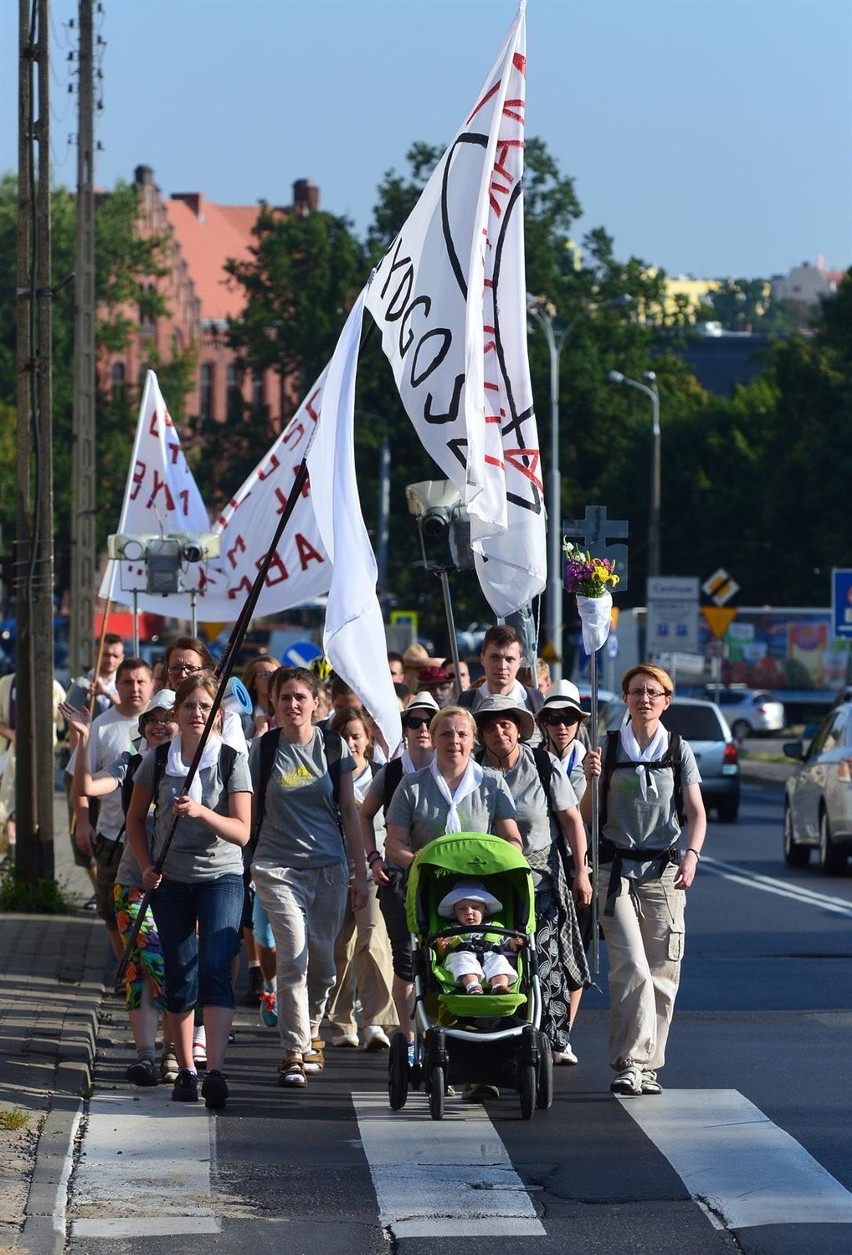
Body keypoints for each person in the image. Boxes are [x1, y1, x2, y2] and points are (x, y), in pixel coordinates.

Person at [126, 672, 253, 1109]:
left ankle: (215, 1069)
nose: (196, 713)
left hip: (222, 876)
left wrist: (200, 812)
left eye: (205, 707)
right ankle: (185, 1071)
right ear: (176, 713)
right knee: (179, 971)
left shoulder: (232, 759)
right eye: (189, 706)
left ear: (217, 715)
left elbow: (241, 830)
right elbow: (135, 820)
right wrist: (145, 867)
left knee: (215, 967)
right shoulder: (158, 760)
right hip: (172, 879)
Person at [581, 664, 707, 1098]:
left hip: (664, 872)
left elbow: (696, 811)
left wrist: (691, 856)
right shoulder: (608, 746)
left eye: (653, 692)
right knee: (631, 966)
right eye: (637, 692)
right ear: (626, 698)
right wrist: (590, 779)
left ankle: (650, 1065)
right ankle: (629, 1062)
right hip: (614, 872)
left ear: (666, 700)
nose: (645, 699)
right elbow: (586, 817)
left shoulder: (678, 749)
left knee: (662, 974)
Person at [249, 666, 368, 1089]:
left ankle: (312, 1028)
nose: (294, 705)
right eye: (285, 698)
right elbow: (249, 811)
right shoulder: (261, 751)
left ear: (316, 703)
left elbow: (350, 814)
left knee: (322, 967)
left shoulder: (333, 747)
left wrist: (361, 873)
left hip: (329, 868)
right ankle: (294, 1051)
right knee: (293, 955)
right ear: (274, 703)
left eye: (301, 697)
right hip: (276, 867)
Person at [384, 705, 521, 1063]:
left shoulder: (491, 783)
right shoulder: (412, 786)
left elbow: (513, 841)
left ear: (473, 740)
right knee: (414, 965)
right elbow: (394, 843)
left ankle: (480, 1046)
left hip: (480, 892)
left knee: (487, 955)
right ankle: (414, 1038)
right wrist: (423, 866)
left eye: (462, 734)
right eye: (445, 733)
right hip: (424, 888)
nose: (454, 741)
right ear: (432, 738)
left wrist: (495, 865)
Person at [61, 691, 179, 1086]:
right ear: (143, 727)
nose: (161, 724)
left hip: (184, 882)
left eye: (168, 717)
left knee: (172, 965)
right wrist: (81, 740)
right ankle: (147, 1055)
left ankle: (173, 1052)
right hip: (132, 880)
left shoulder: (196, 764)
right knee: (145, 964)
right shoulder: (130, 762)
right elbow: (88, 788)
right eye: (153, 718)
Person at [473, 694, 591, 1065]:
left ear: (519, 729)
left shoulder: (542, 763)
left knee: (544, 955)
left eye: (505, 724)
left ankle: (555, 1040)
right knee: (494, 956)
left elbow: (572, 820)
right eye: (490, 725)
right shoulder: (473, 769)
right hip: (488, 881)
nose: (498, 732)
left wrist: (582, 872)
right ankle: (492, 1036)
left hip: (540, 876)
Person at [359, 692, 438, 1042]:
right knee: (405, 957)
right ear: (404, 729)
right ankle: (409, 1040)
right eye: (413, 722)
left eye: (429, 722)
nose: (422, 729)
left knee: (441, 957)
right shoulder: (392, 772)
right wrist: (373, 859)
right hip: (398, 878)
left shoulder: (452, 766)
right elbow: (363, 814)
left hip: (443, 880)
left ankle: (439, 1033)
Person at [69, 659, 154, 959]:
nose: (135, 688)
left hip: (156, 840)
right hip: (112, 835)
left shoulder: (168, 725)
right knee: (112, 909)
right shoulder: (102, 725)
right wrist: (82, 822)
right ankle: (125, 966)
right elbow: (82, 783)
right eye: (127, 682)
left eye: (141, 681)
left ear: (152, 685)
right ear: (115, 686)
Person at [325, 707, 396, 1050]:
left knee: (372, 942)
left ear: (368, 740)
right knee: (340, 947)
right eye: (343, 736)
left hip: (373, 870)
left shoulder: (382, 776)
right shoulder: (326, 776)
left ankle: (376, 1021)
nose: (350, 742)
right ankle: (341, 1023)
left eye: (356, 735)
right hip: (334, 870)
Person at [536, 679, 594, 1038]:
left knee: (574, 947)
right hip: (543, 866)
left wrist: (594, 780)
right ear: (542, 721)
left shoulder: (592, 762)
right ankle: (538, 1027)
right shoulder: (532, 758)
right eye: (554, 718)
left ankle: (563, 1034)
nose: (561, 726)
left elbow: (589, 819)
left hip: (578, 865)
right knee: (542, 947)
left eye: (569, 718)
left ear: (580, 722)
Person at [434, 881, 520, 994]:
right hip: (462, 955)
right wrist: (441, 947)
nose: (469, 912)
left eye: (475, 907)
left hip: (490, 955)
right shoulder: (449, 930)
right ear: (454, 912)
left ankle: (500, 986)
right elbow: (441, 956)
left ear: (485, 910)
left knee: (500, 961)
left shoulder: (496, 927)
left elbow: (506, 944)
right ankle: (473, 986)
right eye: (462, 909)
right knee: (462, 959)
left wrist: (513, 944)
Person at [457, 625, 544, 724]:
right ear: (482, 659)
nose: (502, 666)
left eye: (509, 659)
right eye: (495, 658)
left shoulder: (536, 701)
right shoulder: (466, 702)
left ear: (519, 663)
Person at [242, 656, 280, 740]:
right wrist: (260, 730)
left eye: (275, 674)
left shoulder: (288, 712)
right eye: (264, 674)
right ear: (253, 683)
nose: (271, 679)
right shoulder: (242, 717)